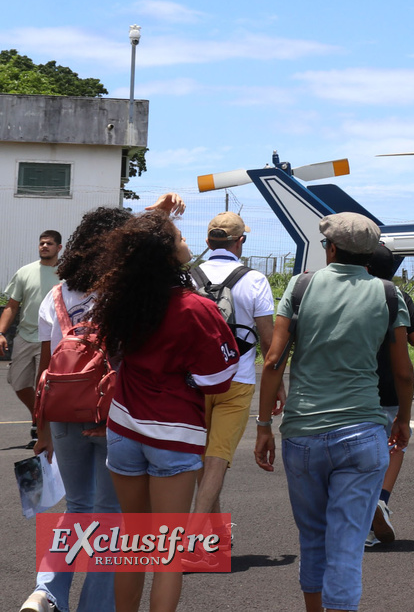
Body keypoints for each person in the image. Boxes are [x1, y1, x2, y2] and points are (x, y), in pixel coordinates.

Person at [254, 213, 414, 612]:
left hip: (303, 431)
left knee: (313, 538)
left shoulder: (302, 285)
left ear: (331, 248)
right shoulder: (388, 294)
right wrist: (403, 419)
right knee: (346, 546)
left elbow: (274, 360)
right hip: (363, 433)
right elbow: (403, 370)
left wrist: (262, 426)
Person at [94, 209, 238, 612]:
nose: (186, 241)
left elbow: (115, 356)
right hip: (174, 435)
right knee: (167, 553)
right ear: (166, 254)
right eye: (178, 237)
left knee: (133, 542)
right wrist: (188, 378)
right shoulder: (195, 308)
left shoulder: (119, 299)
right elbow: (219, 379)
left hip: (122, 427)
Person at [22, 209, 130, 612]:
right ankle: (94, 607)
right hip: (110, 411)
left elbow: (47, 365)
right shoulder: (122, 292)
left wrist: (43, 427)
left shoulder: (57, 295)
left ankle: (46, 591)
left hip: (62, 410)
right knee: (108, 512)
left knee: (78, 505)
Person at [187, 212, 278, 566]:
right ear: (240, 242)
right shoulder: (254, 280)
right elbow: (270, 340)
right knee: (218, 458)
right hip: (236, 380)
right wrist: (278, 381)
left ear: (209, 242)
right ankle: (193, 538)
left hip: (193, 381)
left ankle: (216, 539)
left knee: (204, 460)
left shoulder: (187, 277)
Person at [366, 244, 414, 546]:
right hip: (390, 385)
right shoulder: (396, 295)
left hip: (357, 387)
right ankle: (381, 500)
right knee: (394, 445)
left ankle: (358, 515)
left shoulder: (353, 293)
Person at [1, 230, 62, 448]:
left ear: (59, 248)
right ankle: (37, 416)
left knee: (43, 385)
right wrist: (0, 332)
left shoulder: (66, 274)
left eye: (49, 243)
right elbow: (12, 306)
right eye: (41, 243)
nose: (44, 246)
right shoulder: (24, 272)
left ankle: (42, 429)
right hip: (25, 336)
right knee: (18, 382)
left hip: (54, 339)